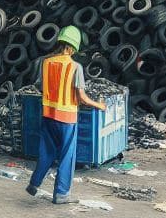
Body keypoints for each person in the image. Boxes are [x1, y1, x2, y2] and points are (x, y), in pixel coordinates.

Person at [25, 25, 106, 205]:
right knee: (67, 155)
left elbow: (40, 86)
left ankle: (34, 184)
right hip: (66, 118)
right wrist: (99, 105)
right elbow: (82, 97)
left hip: (48, 115)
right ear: (72, 47)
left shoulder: (46, 63)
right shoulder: (75, 67)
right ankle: (61, 194)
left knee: (46, 152)